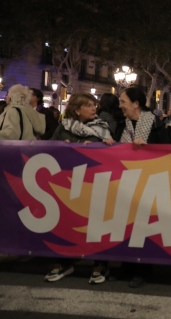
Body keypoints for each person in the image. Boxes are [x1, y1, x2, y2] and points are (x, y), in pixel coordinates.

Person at [44, 92, 114, 283]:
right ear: (76, 110)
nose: (94, 108)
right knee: (66, 223)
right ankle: (64, 262)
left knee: (96, 224)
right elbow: (48, 148)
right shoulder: (63, 127)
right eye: (89, 105)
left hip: (94, 185)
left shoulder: (103, 128)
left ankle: (100, 264)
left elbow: (114, 154)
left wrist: (102, 146)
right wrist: (60, 145)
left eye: (94, 105)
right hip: (67, 184)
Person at [117, 87, 169, 288]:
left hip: (149, 182)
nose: (120, 105)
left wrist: (147, 148)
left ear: (136, 104)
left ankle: (142, 269)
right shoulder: (123, 124)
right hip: (126, 181)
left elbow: (165, 150)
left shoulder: (155, 124)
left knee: (143, 228)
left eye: (123, 101)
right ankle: (126, 265)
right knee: (126, 225)